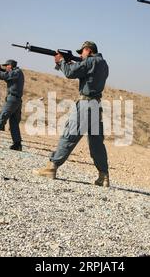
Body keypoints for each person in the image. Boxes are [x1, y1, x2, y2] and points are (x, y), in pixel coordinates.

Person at [33, 41, 110, 188]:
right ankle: (104, 176)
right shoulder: (103, 64)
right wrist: (67, 62)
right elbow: (82, 71)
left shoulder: (90, 62)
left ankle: (51, 167)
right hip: (96, 105)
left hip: (85, 105)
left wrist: (61, 61)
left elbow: (70, 73)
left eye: (82, 52)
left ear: (88, 50)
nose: (81, 55)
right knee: (96, 143)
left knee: (69, 135)